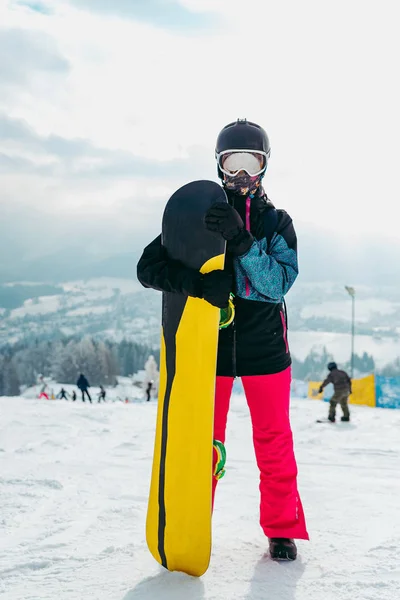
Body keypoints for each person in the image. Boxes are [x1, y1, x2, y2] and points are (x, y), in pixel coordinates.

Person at [137, 118, 308, 560]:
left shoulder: (277, 223)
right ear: (220, 167)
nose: (242, 175)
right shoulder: (198, 218)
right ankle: (195, 519)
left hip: (266, 349)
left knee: (273, 441)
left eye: (252, 164)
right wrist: (197, 285)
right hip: (207, 350)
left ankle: (281, 528)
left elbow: (276, 285)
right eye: (234, 164)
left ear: (265, 168)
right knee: (202, 442)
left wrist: (243, 240)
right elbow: (148, 269)